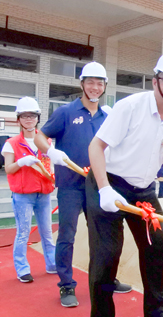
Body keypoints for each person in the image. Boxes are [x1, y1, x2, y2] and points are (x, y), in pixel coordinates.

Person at [86, 51, 163, 317]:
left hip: (143, 191)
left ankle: (156, 311)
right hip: (108, 184)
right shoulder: (130, 107)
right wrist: (104, 189)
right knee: (107, 254)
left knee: (158, 246)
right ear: (155, 81)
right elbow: (96, 146)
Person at [34, 62, 131, 308]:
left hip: (98, 186)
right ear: (81, 84)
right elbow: (39, 136)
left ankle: (106, 280)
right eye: (90, 82)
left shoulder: (107, 117)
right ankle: (66, 284)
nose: (95, 87)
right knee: (67, 235)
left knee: (102, 236)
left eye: (100, 83)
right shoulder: (66, 112)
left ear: (105, 86)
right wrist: (51, 152)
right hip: (70, 186)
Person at [2, 97, 56, 283]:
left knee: (47, 232)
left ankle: (52, 264)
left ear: (38, 118)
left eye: (32, 116)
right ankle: (22, 269)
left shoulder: (46, 140)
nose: (29, 119)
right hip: (23, 196)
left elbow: (51, 164)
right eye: (24, 116)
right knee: (23, 232)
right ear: (18, 119)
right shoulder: (12, 143)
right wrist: (20, 162)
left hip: (44, 194)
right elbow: (8, 169)